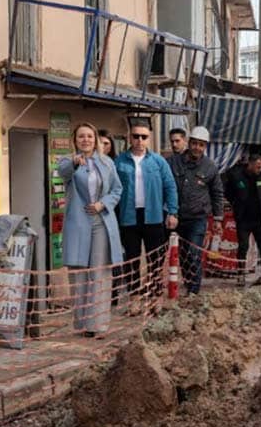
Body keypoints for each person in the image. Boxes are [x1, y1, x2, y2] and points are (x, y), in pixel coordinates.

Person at [57, 122, 123, 338]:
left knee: (99, 272)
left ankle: (99, 324)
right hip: (78, 222)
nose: (85, 140)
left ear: (95, 139)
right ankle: (83, 324)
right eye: (81, 137)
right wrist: (75, 164)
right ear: (74, 140)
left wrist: (102, 203)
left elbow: (117, 189)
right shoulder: (69, 161)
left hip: (101, 222)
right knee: (79, 275)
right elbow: (63, 173)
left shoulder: (107, 163)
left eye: (89, 136)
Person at [116, 117, 178, 313]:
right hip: (128, 217)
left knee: (156, 260)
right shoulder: (120, 162)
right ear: (129, 137)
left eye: (144, 137)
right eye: (136, 136)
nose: (140, 140)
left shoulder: (159, 162)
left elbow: (170, 187)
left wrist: (172, 212)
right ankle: (134, 299)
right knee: (131, 260)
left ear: (149, 138)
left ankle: (155, 297)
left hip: (154, 216)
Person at [168, 126, 223, 295]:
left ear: (205, 146)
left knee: (194, 253)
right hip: (177, 216)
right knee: (183, 256)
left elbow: (217, 193)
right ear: (189, 143)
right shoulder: (173, 162)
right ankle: (189, 284)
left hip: (197, 218)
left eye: (201, 145)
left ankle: (194, 291)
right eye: (194, 144)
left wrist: (218, 219)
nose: (197, 148)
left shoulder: (210, 167)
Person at [225, 154, 261, 284]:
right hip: (243, 219)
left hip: (260, 219)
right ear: (250, 165)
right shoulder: (237, 176)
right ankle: (240, 275)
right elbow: (228, 193)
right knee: (243, 247)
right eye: (257, 167)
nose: (260, 169)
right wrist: (236, 203)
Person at [98, 129, 123, 305]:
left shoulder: (115, 164)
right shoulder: (87, 163)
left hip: (117, 214)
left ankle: (114, 293)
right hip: (96, 216)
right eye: (100, 143)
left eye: (107, 143)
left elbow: (118, 190)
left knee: (116, 254)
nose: (103, 147)